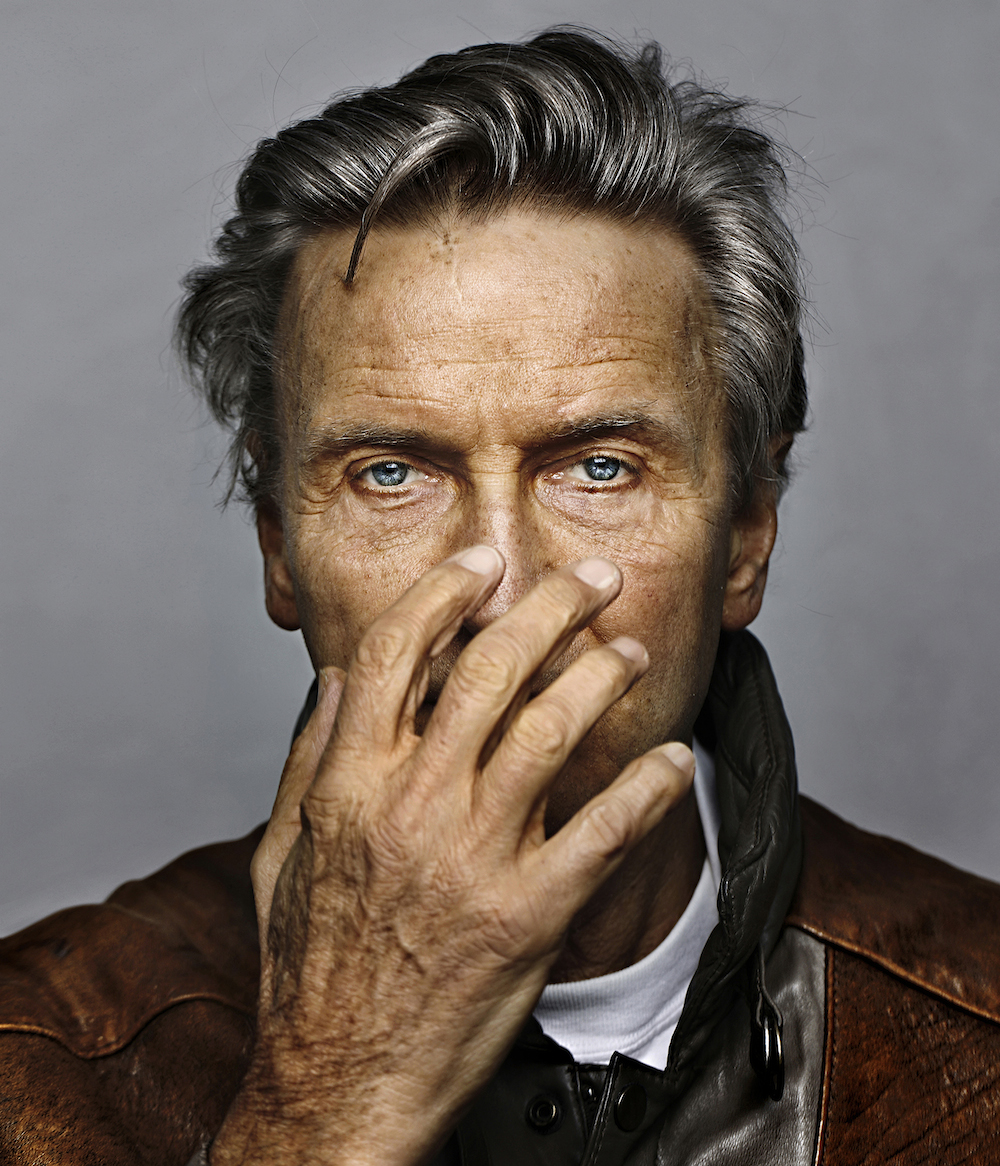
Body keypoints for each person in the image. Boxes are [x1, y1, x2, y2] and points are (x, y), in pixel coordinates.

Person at [2, 27, 999, 1166]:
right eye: (390, 473)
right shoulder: (36, 1062)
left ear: (745, 538)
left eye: (600, 467)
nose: (501, 589)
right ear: (279, 544)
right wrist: (328, 1102)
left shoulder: (972, 1027)